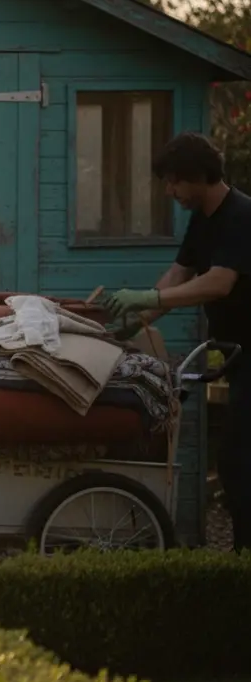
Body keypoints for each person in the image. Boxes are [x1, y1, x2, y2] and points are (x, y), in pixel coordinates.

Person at [101, 131, 250, 551]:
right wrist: (137, 321)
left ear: (199, 176)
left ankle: (242, 562)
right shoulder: (203, 219)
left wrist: (151, 298)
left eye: (174, 182)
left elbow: (219, 283)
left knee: (239, 463)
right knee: (236, 461)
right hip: (237, 353)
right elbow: (180, 273)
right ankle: (240, 559)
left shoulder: (241, 216)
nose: (170, 192)